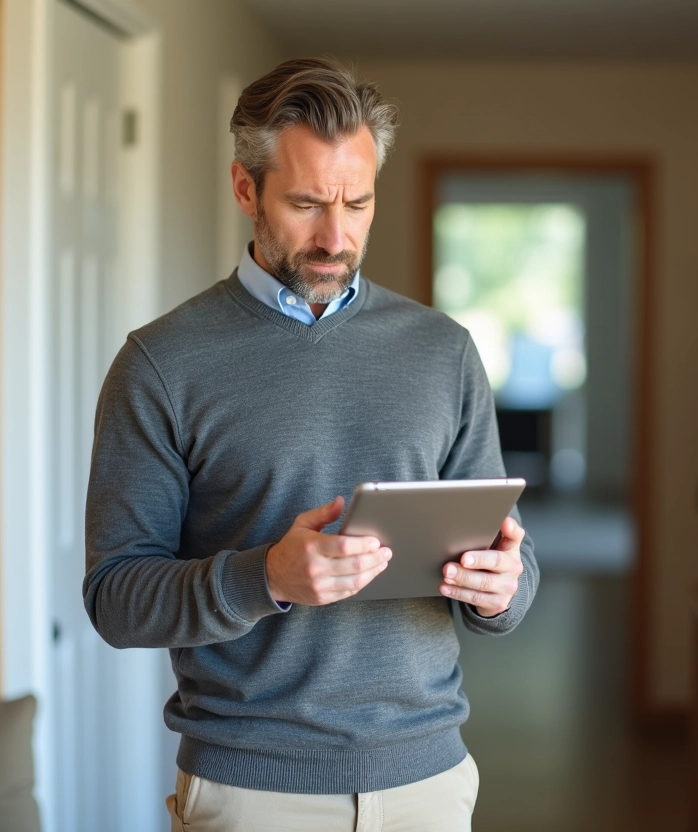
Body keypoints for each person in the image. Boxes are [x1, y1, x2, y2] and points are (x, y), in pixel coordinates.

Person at [83, 57, 538, 832]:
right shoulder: (160, 364)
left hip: (427, 782)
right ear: (244, 188)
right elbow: (116, 600)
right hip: (252, 790)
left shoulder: (444, 351)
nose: (336, 236)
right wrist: (267, 576)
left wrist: (503, 589)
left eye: (357, 203)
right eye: (306, 204)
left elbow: (513, 570)